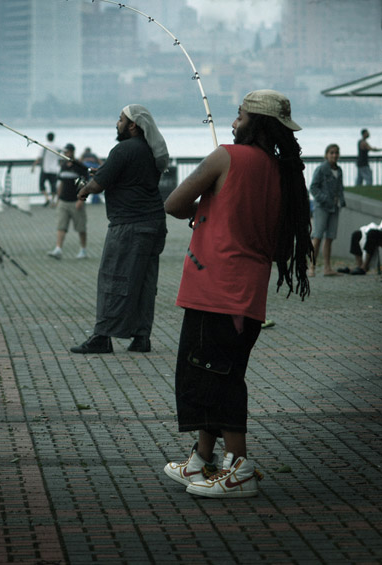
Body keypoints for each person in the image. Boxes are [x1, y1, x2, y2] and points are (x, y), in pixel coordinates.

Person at [162, 89, 312, 498]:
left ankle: (240, 468)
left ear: (255, 123)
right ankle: (201, 461)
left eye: (240, 115)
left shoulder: (225, 156)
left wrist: (203, 214)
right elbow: (280, 243)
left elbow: (174, 203)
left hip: (215, 289)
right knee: (218, 373)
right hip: (248, 295)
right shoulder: (284, 172)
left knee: (215, 381)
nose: (232, 122)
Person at [72, 104, 169, 354]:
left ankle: (102, 337)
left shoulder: (123, 148)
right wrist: (101, 174)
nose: (117, 124)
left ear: (133, 125)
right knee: (144, 283)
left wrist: (83, 190)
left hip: (129, 226)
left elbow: (97, 186)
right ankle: (141, 337)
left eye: (120, 119)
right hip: (155, 224)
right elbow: (116, 175)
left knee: (113, 278)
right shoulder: (148, 150)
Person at [308, 144, 346, 277]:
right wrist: (324, 199)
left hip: (335, 208)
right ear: (326, 155)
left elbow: (340, 188)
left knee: (330, 237)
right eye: (331, 153)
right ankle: (311, 267)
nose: (334, 155)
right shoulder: (321, 169)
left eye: (336, 153)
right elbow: (313, 188)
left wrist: (342, 201)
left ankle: (327, 268)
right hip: (322, 208)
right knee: (317, 236)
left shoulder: (339, 170)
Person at [47, 143, 88, 259]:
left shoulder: (79, 166)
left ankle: (83, 249)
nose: (65, 154)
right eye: (64, 152)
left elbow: (85, 185)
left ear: (72, 152)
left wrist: (81, 200)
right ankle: (58, 249)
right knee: (61, 225)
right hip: (63, 201)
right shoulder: (63, 166)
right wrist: (57, 199)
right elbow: (61, 184)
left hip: (75, 201)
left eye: (67, 152)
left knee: (81, 227)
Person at [32, 132, 61, 206]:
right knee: (53, 185)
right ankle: (53, 200)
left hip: (45, 169)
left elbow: (39, 157)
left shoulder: (44, 146)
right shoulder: (57, 147)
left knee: (41, 185)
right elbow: (61, 156)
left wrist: (34, 166)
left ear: (47, 137)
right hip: (54, 169)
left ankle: (47, 198)